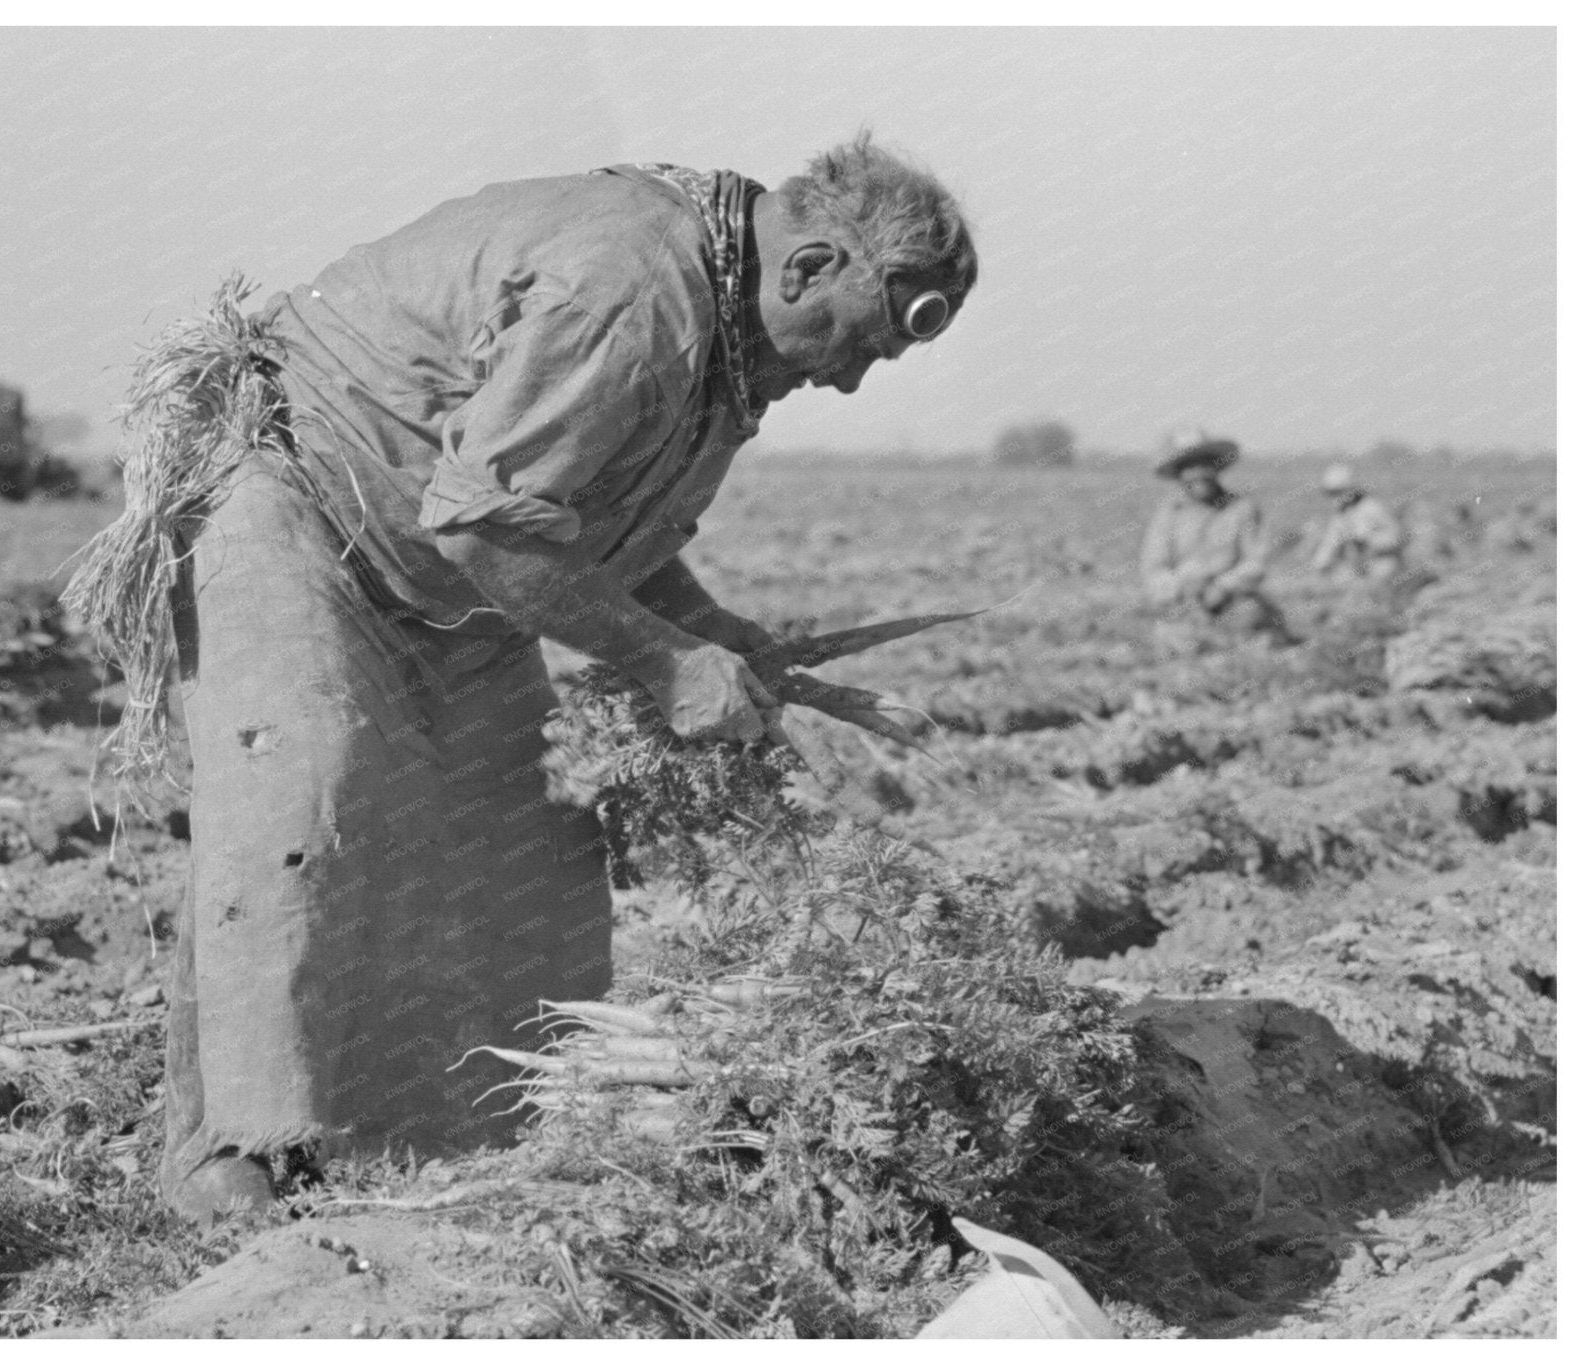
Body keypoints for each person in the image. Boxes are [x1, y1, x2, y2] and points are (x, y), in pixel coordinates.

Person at [65, 134, 978, 1224]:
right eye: (862, 345)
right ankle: (235, 1162)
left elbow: (572, 517)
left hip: (455, 564)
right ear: (808, 269)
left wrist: (716, 633)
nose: (845, 376)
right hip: (300, 507)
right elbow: (488, 524)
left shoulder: (726, 334)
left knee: (525, 843)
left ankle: (446, 1155)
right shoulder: (629, 293)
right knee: (308, 802)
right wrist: (663, 660)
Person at [1139, 430, 1287, 639]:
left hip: (1232, 600)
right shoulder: (1168, 515)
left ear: (1215, 467)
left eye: (1203, 464)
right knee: (1173, 636)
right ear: (1179, 473)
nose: (1198, 473)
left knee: (1252, 619)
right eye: (1189, 467)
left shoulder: (1242, 508)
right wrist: (1179, 590)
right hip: (1182, 601)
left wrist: (1224, 587)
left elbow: (1257, 561)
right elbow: (1154, 568)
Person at [1308, 463, 1405, 583]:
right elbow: (1330, 543)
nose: (1334, 498)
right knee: (1339, 581)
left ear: (1350, 489)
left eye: (1337, 492)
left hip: (1381, 562)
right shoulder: (1341, 514)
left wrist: (1368, 539)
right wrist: (1319, 566)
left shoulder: (1371, 508)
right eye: (1331, 493)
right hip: (1357, 565)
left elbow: (1395, 538)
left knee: (1377, 580)